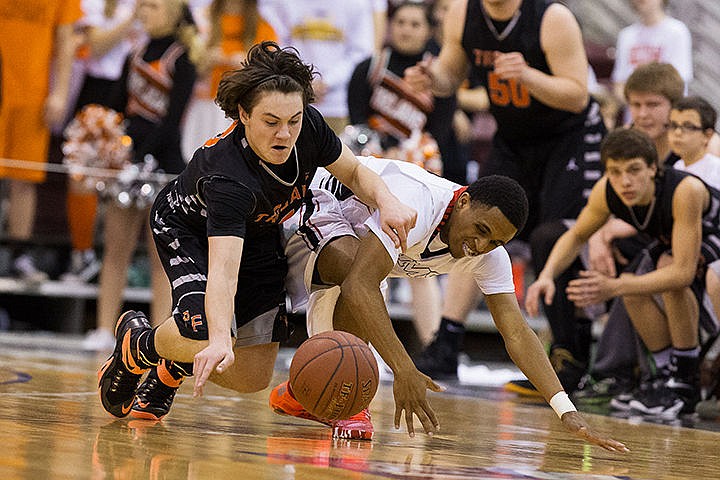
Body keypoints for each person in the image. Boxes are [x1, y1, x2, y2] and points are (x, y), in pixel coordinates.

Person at [97, 41, 418, 438]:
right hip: (189, 230)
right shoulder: (229, 178)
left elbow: (353, 173)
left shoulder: (309, 127)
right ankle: (139, 345)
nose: (285, 134)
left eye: (294, 120)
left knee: (251, 377)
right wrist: (217, 339)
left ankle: (171, 367)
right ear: (244, 115)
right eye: (270, 121)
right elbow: (224, 273)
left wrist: (387, 201)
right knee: (206, 338)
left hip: (260, 231)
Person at [272, 156, 627, 451]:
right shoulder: (417, 204)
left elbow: (517, 332)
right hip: (317, 197)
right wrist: (404, 368)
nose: (481, 245)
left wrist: (565, 409)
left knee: (306, 358)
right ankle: (340, 400)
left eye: (495, 241)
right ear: (464, 201)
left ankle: (310, 391)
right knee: (360, 277)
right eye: (482, 230)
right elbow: (359, 286)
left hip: (351, 247)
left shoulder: (489, 255)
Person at [404, 0, 606, 388]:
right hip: (512, 138)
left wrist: (528, 75)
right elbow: (451, 72)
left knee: (554, 237)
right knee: (469, 223)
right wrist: (433, 77)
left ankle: (569, 358)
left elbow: (578, 95)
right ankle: (445, 343)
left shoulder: (551, 17)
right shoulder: (464, 12)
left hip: (568, 138)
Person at [526, 127, 720, 418]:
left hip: (713, 241)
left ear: (654, 168)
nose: (624, 181)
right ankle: (661, 377)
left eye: (634, 170)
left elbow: (682, 273)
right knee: (634, 284)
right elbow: (576, 235)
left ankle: (684, 383)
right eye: (615, 172)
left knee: (662, 275)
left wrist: (613, 286)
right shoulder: (608, 191)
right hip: (684, 246)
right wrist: (546, 275)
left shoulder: (685, 191)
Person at [347, 0, 458, 347]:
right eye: (402, 22)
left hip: (422, 169)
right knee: (369, 258)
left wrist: (407, 151)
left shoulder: (437, 77)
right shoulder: (369, 67)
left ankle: (432, 347)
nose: (407, 29)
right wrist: (381, 147)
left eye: (415, 24)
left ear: (428, 30)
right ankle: (364, 348)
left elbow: (441, 129)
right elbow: (356, 122)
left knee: (420, 266)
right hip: (372, 168)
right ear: (390, 25)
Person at [93, 0, 198, 353]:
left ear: (171, 11)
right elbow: (117, 107)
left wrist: (140, 152)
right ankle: (104, 330)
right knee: (116, 249)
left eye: (152, 6)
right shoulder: (134, 53)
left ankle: (161, 336)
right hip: (129, 163)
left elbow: (173, 121)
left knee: (162, 257)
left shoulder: (183, 58)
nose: (144, 12)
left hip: (165, 165)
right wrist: (112, 144)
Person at [0, 0, 82, 280]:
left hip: (32, 92)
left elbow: (66, 38)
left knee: (25, 178)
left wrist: (59, 92)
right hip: (3, 83)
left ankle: (18, 254)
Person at [259, 0, 376, 133]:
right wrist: (300, 79)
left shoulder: (356, 4)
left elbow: (361, 53)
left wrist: (327, 82)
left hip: (337, 105)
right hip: (288, 100)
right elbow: (276, 44)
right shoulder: (280, 3)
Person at [181, 0, 277, 160]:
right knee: (197, 159)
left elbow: (273, 71)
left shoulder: (264, 26)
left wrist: (249, 64)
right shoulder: (201, 19)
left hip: (242, 108)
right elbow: (184, 66)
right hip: (204, 106)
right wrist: (207, 60)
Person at [610, 0, 692, 108]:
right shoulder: (626, 35)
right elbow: (619, 83)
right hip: (634, 116)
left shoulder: (676, 31)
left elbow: (678, 82)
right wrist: (638, 105)